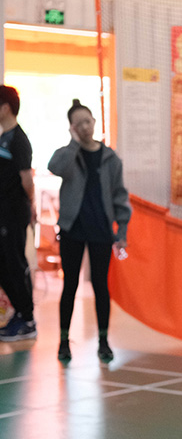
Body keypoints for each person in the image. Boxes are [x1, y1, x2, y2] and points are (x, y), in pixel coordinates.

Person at [48, 99, 132, 362]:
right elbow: (55, 167)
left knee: (100, 285)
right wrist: (73, 144)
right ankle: (64, 341)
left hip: (100, 231)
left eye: (87, 121)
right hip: (72, 230)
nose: (84, 127)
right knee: (70, 285)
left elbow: (120, 196)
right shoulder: (68, 154)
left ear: (94, 122)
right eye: (78, 124)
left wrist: (122, 231)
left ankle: (103, 341)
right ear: (72, 128)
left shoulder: (110, 158)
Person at [0, 85, 37, 342]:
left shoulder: (19, 140)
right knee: (3, 264)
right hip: (3, 212)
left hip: (14, 212)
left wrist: (30, 205)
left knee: (15, 264)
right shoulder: (4, 137)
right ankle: (19, 313)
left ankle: (28, 319)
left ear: (5, 108)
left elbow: (27, 180)